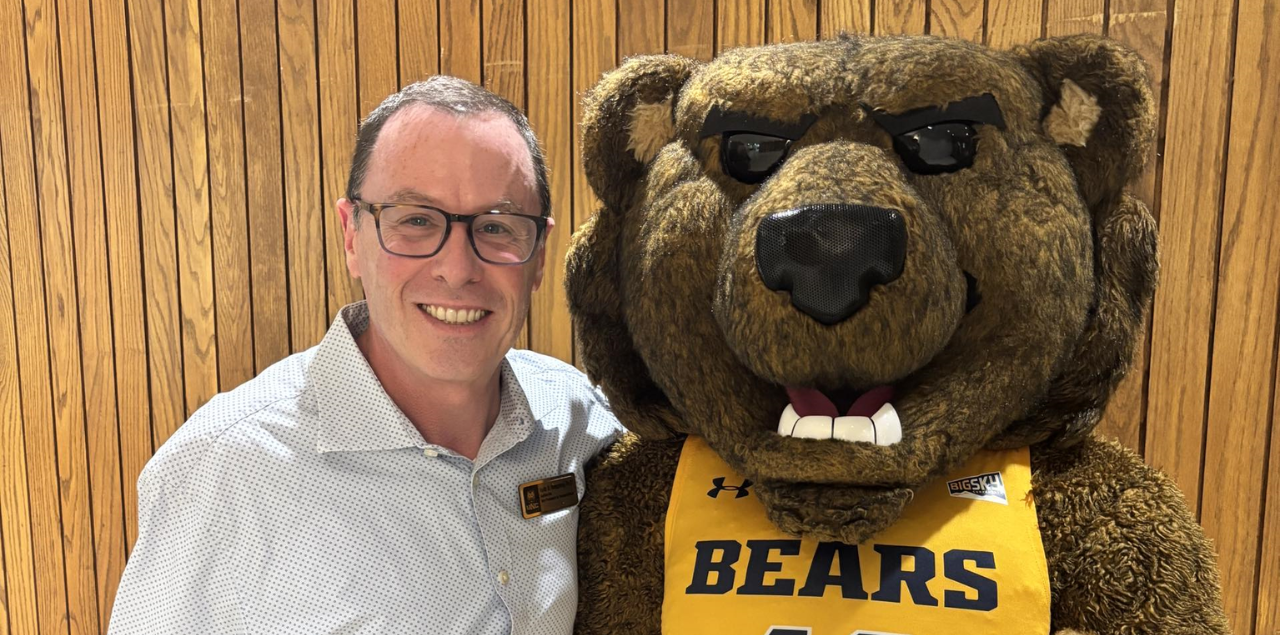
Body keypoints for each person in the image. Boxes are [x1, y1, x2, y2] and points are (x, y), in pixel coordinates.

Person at [109, 76, 623, 634]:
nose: (456, 268)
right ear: (352, 236)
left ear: (539, 255)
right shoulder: (223, 470)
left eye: (496, 227)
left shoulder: (573, 416)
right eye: (416, 221)